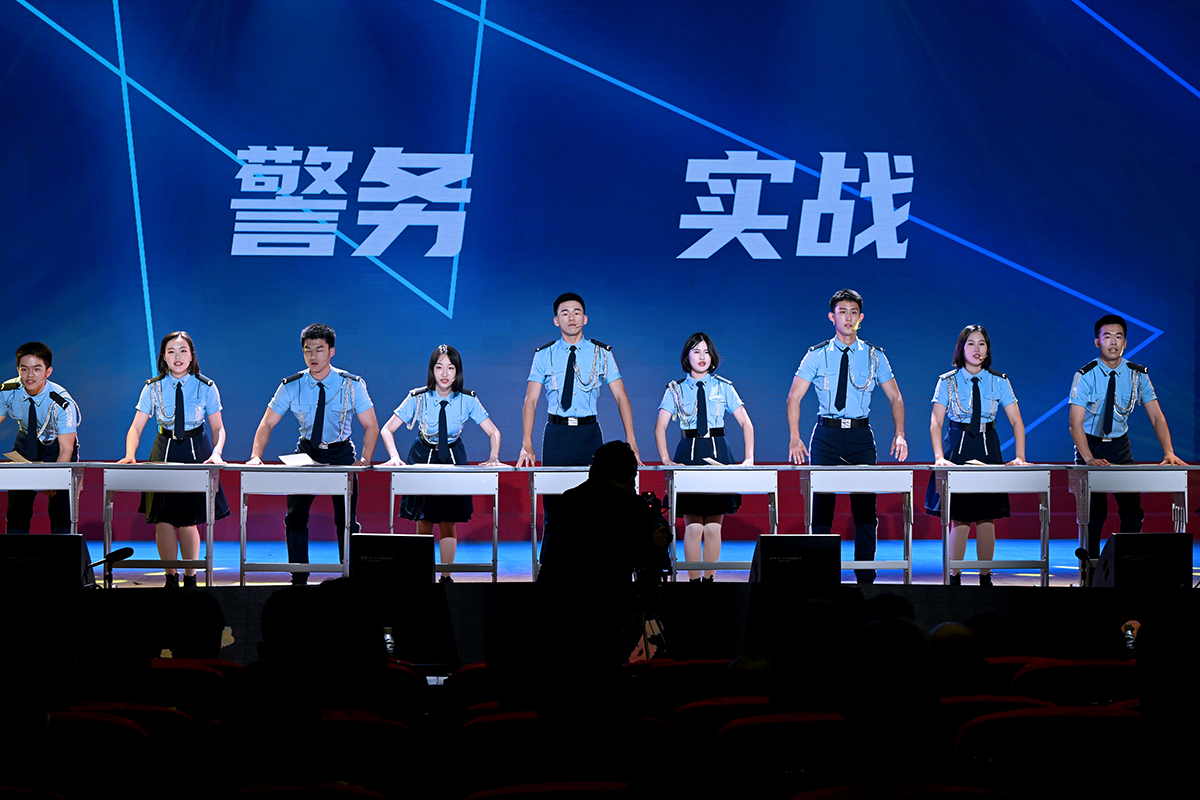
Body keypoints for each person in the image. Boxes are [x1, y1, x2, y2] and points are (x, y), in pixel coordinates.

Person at [786, 289, 907, 585]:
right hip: (825, 437)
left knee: (865, 511)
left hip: (860, 437)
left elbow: (895, 397)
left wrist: (900, 434)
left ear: (861, 317)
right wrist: (794, 437)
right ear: (832, 317)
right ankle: (820, 576)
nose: (848, 318)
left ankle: (865, 578)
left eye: (853, 312)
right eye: (842, 312)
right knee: (821, 510)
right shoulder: (816, 354)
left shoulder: (875, 355)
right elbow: (794, 397)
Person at [248, 323, 379, 584]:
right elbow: (267, 423)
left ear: (331, 351)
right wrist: (255, 456)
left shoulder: (351, 385)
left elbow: (371, 425)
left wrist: (365, 459)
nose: (313, 356)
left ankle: (351, 578)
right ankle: (298, 578)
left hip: (341, 454)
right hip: (306, 453)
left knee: (347, 520)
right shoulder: (291, 385)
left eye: (319, 349)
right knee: (295, 517)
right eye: (308, 350)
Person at [379, 344, 503, 582]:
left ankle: (446, 577)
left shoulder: (467, 399)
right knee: (424, 519)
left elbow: (494, 432)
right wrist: (394, 457)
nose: (444, 373)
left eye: (450, 367)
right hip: (422, 457)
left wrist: (494, 457)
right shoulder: (417, 397)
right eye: (439, 367)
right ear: (432, 370)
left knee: (448, 519)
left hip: (453, 458)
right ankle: (423, 577)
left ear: (457, 372)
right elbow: (387, 429)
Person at [118, 331, 231, 589]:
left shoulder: (206, 386)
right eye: (171, 351)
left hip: (196, 452)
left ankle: (191, 578)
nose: (177, 356)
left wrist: (216, 453)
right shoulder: (152, 387)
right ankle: (170, 577)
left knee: (189, 518)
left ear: (191, 356)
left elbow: (218, 428)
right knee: (163, 518)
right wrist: (130, 454)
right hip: (163, 450)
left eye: (182, 351)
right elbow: (136, 427)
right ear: (164, 357)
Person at [1069, 314, 1186, 558]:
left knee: (1133, 512)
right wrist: (1089, 459)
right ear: (1097, 342)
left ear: (1125, 342)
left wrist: (1168, 451)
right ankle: (1090, 570)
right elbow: (1074, 424)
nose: (1113, 342)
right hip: (1090, 447)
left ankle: (1125, 565)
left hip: (1121, 449)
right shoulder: (1085, 375)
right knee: (1095, 515)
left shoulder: (1137, 375)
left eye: (1118, 337)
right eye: (1107, 337)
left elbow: (1156, 416)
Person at [923, 325, 1027, 586]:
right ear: (961, 348)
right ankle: (954, 577)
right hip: (957, 448)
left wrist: (1020, 456)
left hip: (988, 447)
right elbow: (936, 422)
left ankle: (985, 577)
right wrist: (938, 457)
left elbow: (1016, 421)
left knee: (987, 516)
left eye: (982, 344)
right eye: (971, 343)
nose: (977, 349)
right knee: (959, 516)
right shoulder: (947, 381)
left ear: (988, 349)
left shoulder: (999, 381)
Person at [654, 332, 754, 582]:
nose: (702, 357)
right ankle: (693, 582)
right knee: (693, 527)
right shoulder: (675, 389)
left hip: (719, 454)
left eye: (706, 352)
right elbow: (660, 426)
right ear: (687, 356)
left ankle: (709, 581)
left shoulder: (723, 386)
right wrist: (666, 460)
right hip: (689, 455)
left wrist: (749, 458)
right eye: (696, 351)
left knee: (713, 527)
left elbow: (746, 423)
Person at [517, 293, 640, 468]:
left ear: (585, 319)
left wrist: (631, 441)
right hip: (556, 434)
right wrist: (526, 443)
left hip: (589, 434)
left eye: (577, 312)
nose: (571, 318)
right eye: (565, 313)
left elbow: (621, 397)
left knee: (594, 485)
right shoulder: (543, 355)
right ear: (556, 320)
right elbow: (530, 400)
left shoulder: (602, 353)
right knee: (553, 485)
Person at [0, 342, 80, 533]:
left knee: (61, 512)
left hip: (57, 447)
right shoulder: (7, 391)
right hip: (25, 444)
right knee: (17, 511)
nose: (30, 375)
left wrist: (55, 480)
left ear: (48, 372)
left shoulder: (62, 401)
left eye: (37, 369)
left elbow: (66, 448)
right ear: (18, 370)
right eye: (24, 369)